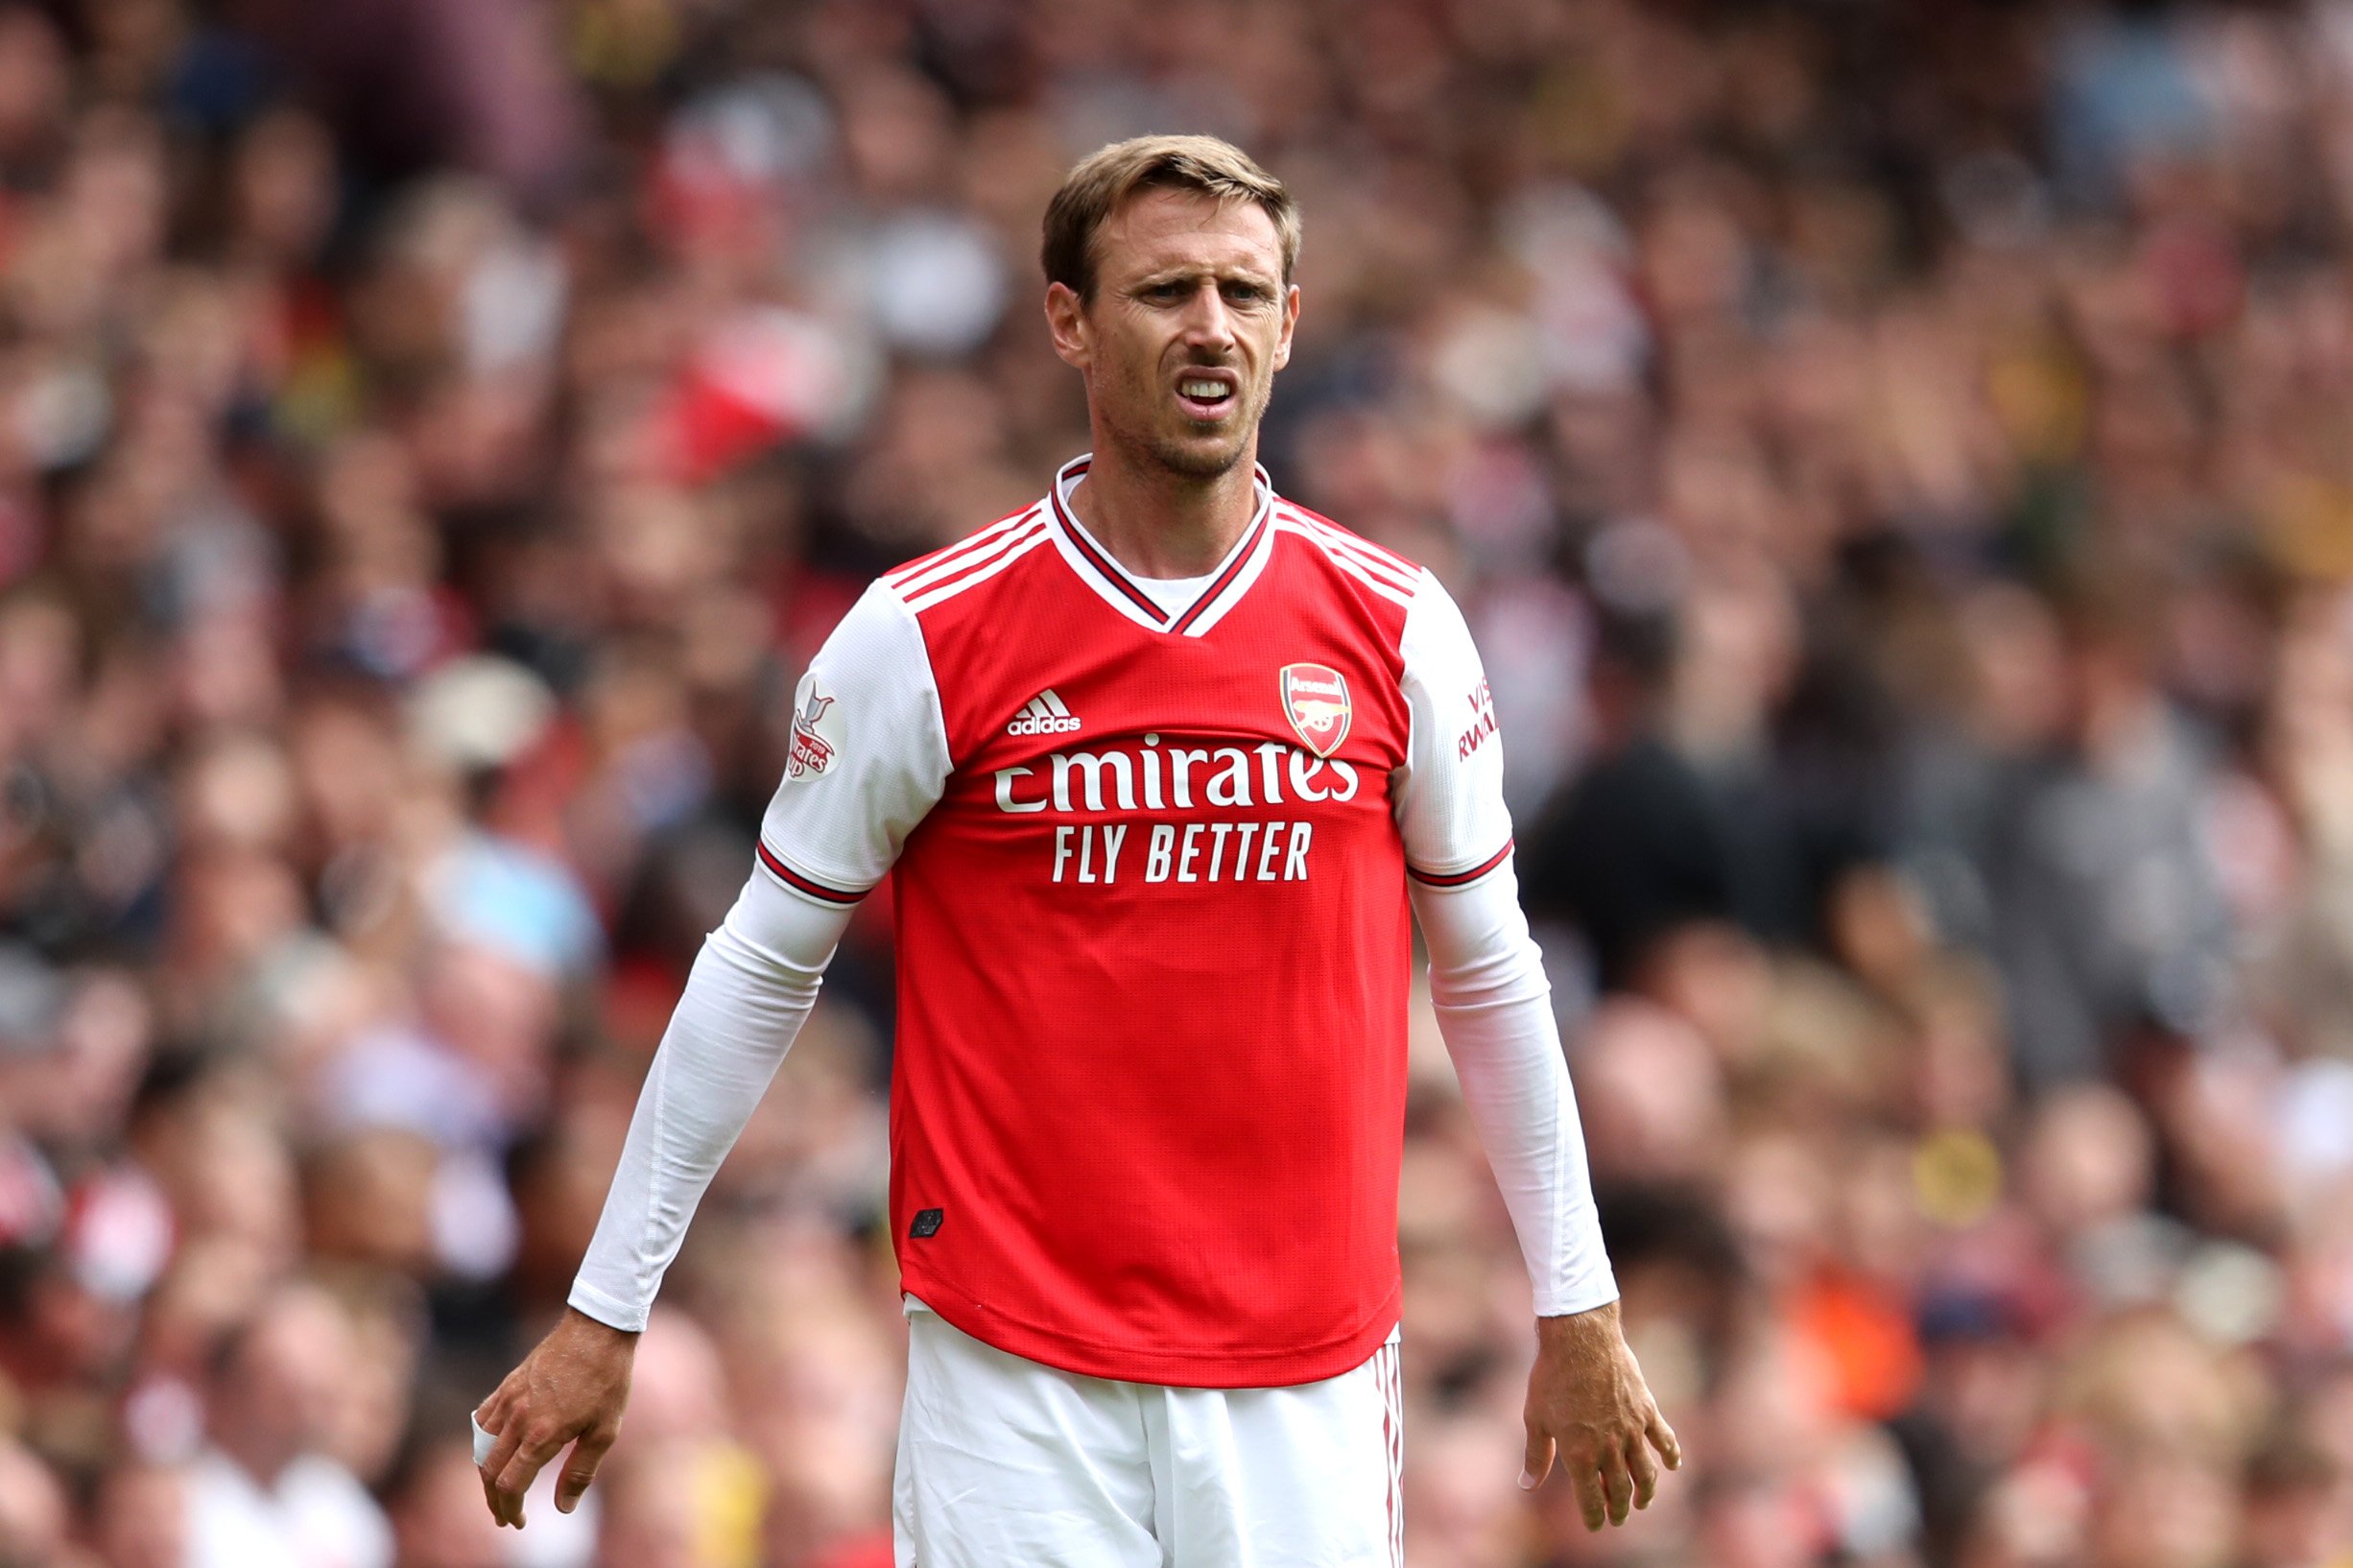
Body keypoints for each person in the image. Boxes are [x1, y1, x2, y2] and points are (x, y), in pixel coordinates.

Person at [471, 133, 1679, 1564]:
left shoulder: (1397, 625)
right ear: (1070, 320)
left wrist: (1577, 1295)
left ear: (1292, 326)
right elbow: (759, 968)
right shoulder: (924, 634)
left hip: (1308, 1368)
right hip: (1013, 1368)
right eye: (1166, 289)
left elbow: (1489, 972)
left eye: (1245, 291)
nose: (1211, 326)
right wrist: (611, 1303)